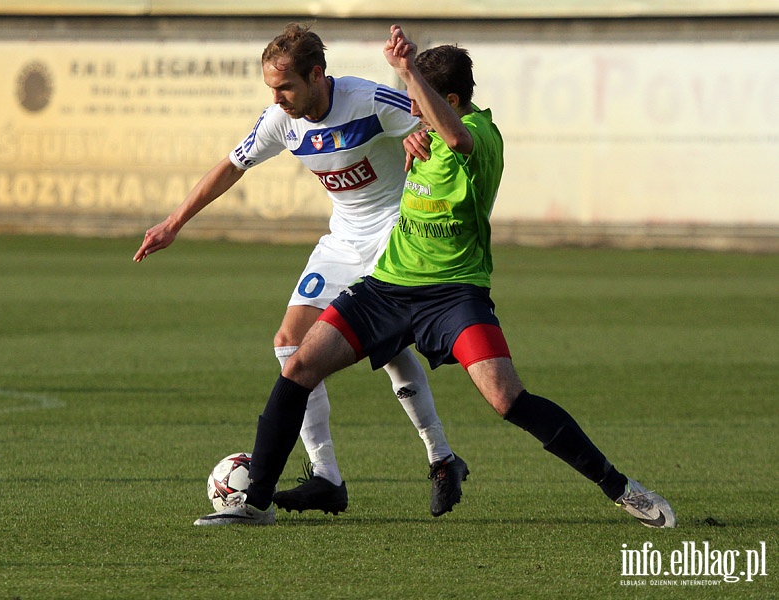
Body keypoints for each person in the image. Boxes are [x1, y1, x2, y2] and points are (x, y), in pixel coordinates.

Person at [194, 24, 677, 528]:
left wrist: (406, 70)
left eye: (416, 98)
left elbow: (458, 137)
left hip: (454, 294)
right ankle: (257, 504)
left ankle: (622, 488)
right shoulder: (414, 135)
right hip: (389, 288)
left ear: (446, 98)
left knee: (506, 398)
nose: (409, 110)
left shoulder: (481, 138)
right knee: (297, 364)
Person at [134, 23, 469, 518]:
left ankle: (440, 455)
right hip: (342, 241)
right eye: (271, 88)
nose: (277, 97)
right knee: (289, 341)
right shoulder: (281, 120)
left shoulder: (369, 100)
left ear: (317, 75)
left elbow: (435, 126)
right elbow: (231, 165)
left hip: (395, 235)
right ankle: (327, 475)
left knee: (388, 348)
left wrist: (416, 138)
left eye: (285, 86)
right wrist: (174, 222)